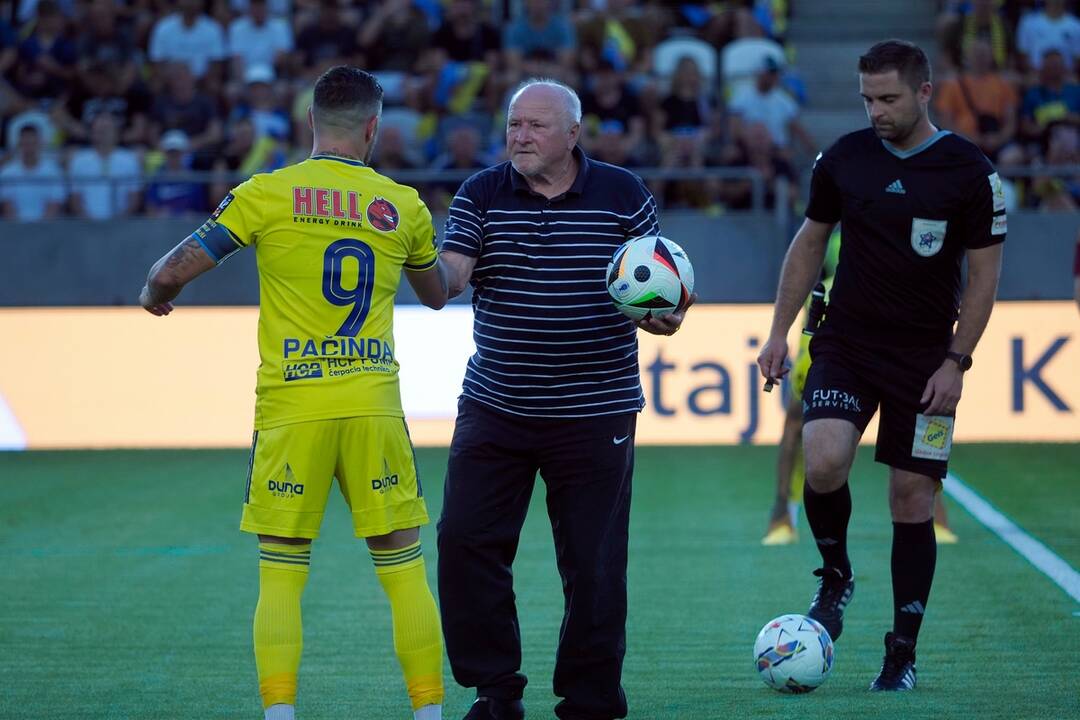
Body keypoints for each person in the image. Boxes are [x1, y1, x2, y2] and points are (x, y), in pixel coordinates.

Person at [137, 66, 449, 720]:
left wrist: (155, 295)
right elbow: (439, 293)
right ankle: (428, 712)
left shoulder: (266, 193)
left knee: (281, 572)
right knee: (404, 569)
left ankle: (280, 714)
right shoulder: (404, 205)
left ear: (311, 122)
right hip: (372, 408)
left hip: (292, 409)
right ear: (373, 128)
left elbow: (173, 269)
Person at [437, 79, 693, 720]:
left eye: (535, 126)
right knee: (464, 542)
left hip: (596, 411)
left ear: (573, 135)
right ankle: (495, 691)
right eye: (513, 123)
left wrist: (664, 316)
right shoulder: (481, 192)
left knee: (595, 565)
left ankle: (591, 697)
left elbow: (658, 279)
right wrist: (419, 261)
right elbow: (450, 277)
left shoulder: (623, 193)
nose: (519, 136)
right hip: (496, 406)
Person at [757, 40, 1005, 691]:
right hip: (846, 346)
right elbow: (809, 244)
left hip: (927, 358)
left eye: (888, 98)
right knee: (825, 455)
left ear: (924, 92)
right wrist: (779, 332)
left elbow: (984, 277)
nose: (876, 110)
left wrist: (958, 361)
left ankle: (902, 651)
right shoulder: (844, 159)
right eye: (868, 98)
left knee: (910, 497)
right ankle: (836, 577)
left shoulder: (969, 172)